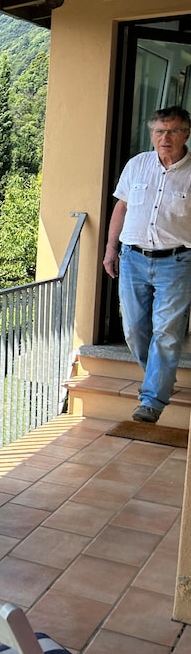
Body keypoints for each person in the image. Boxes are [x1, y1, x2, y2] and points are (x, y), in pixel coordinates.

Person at [103, 105, 191, 423]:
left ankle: (152, 399)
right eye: (159, 131)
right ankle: (161, 376)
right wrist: (111, 249)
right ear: (151, 134)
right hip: (133, 259)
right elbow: (122, 208)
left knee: (167, 332)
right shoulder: (137, 165)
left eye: (172, 131)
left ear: (186, 134)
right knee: (134, 330)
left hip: (177, 262)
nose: (165, 137)